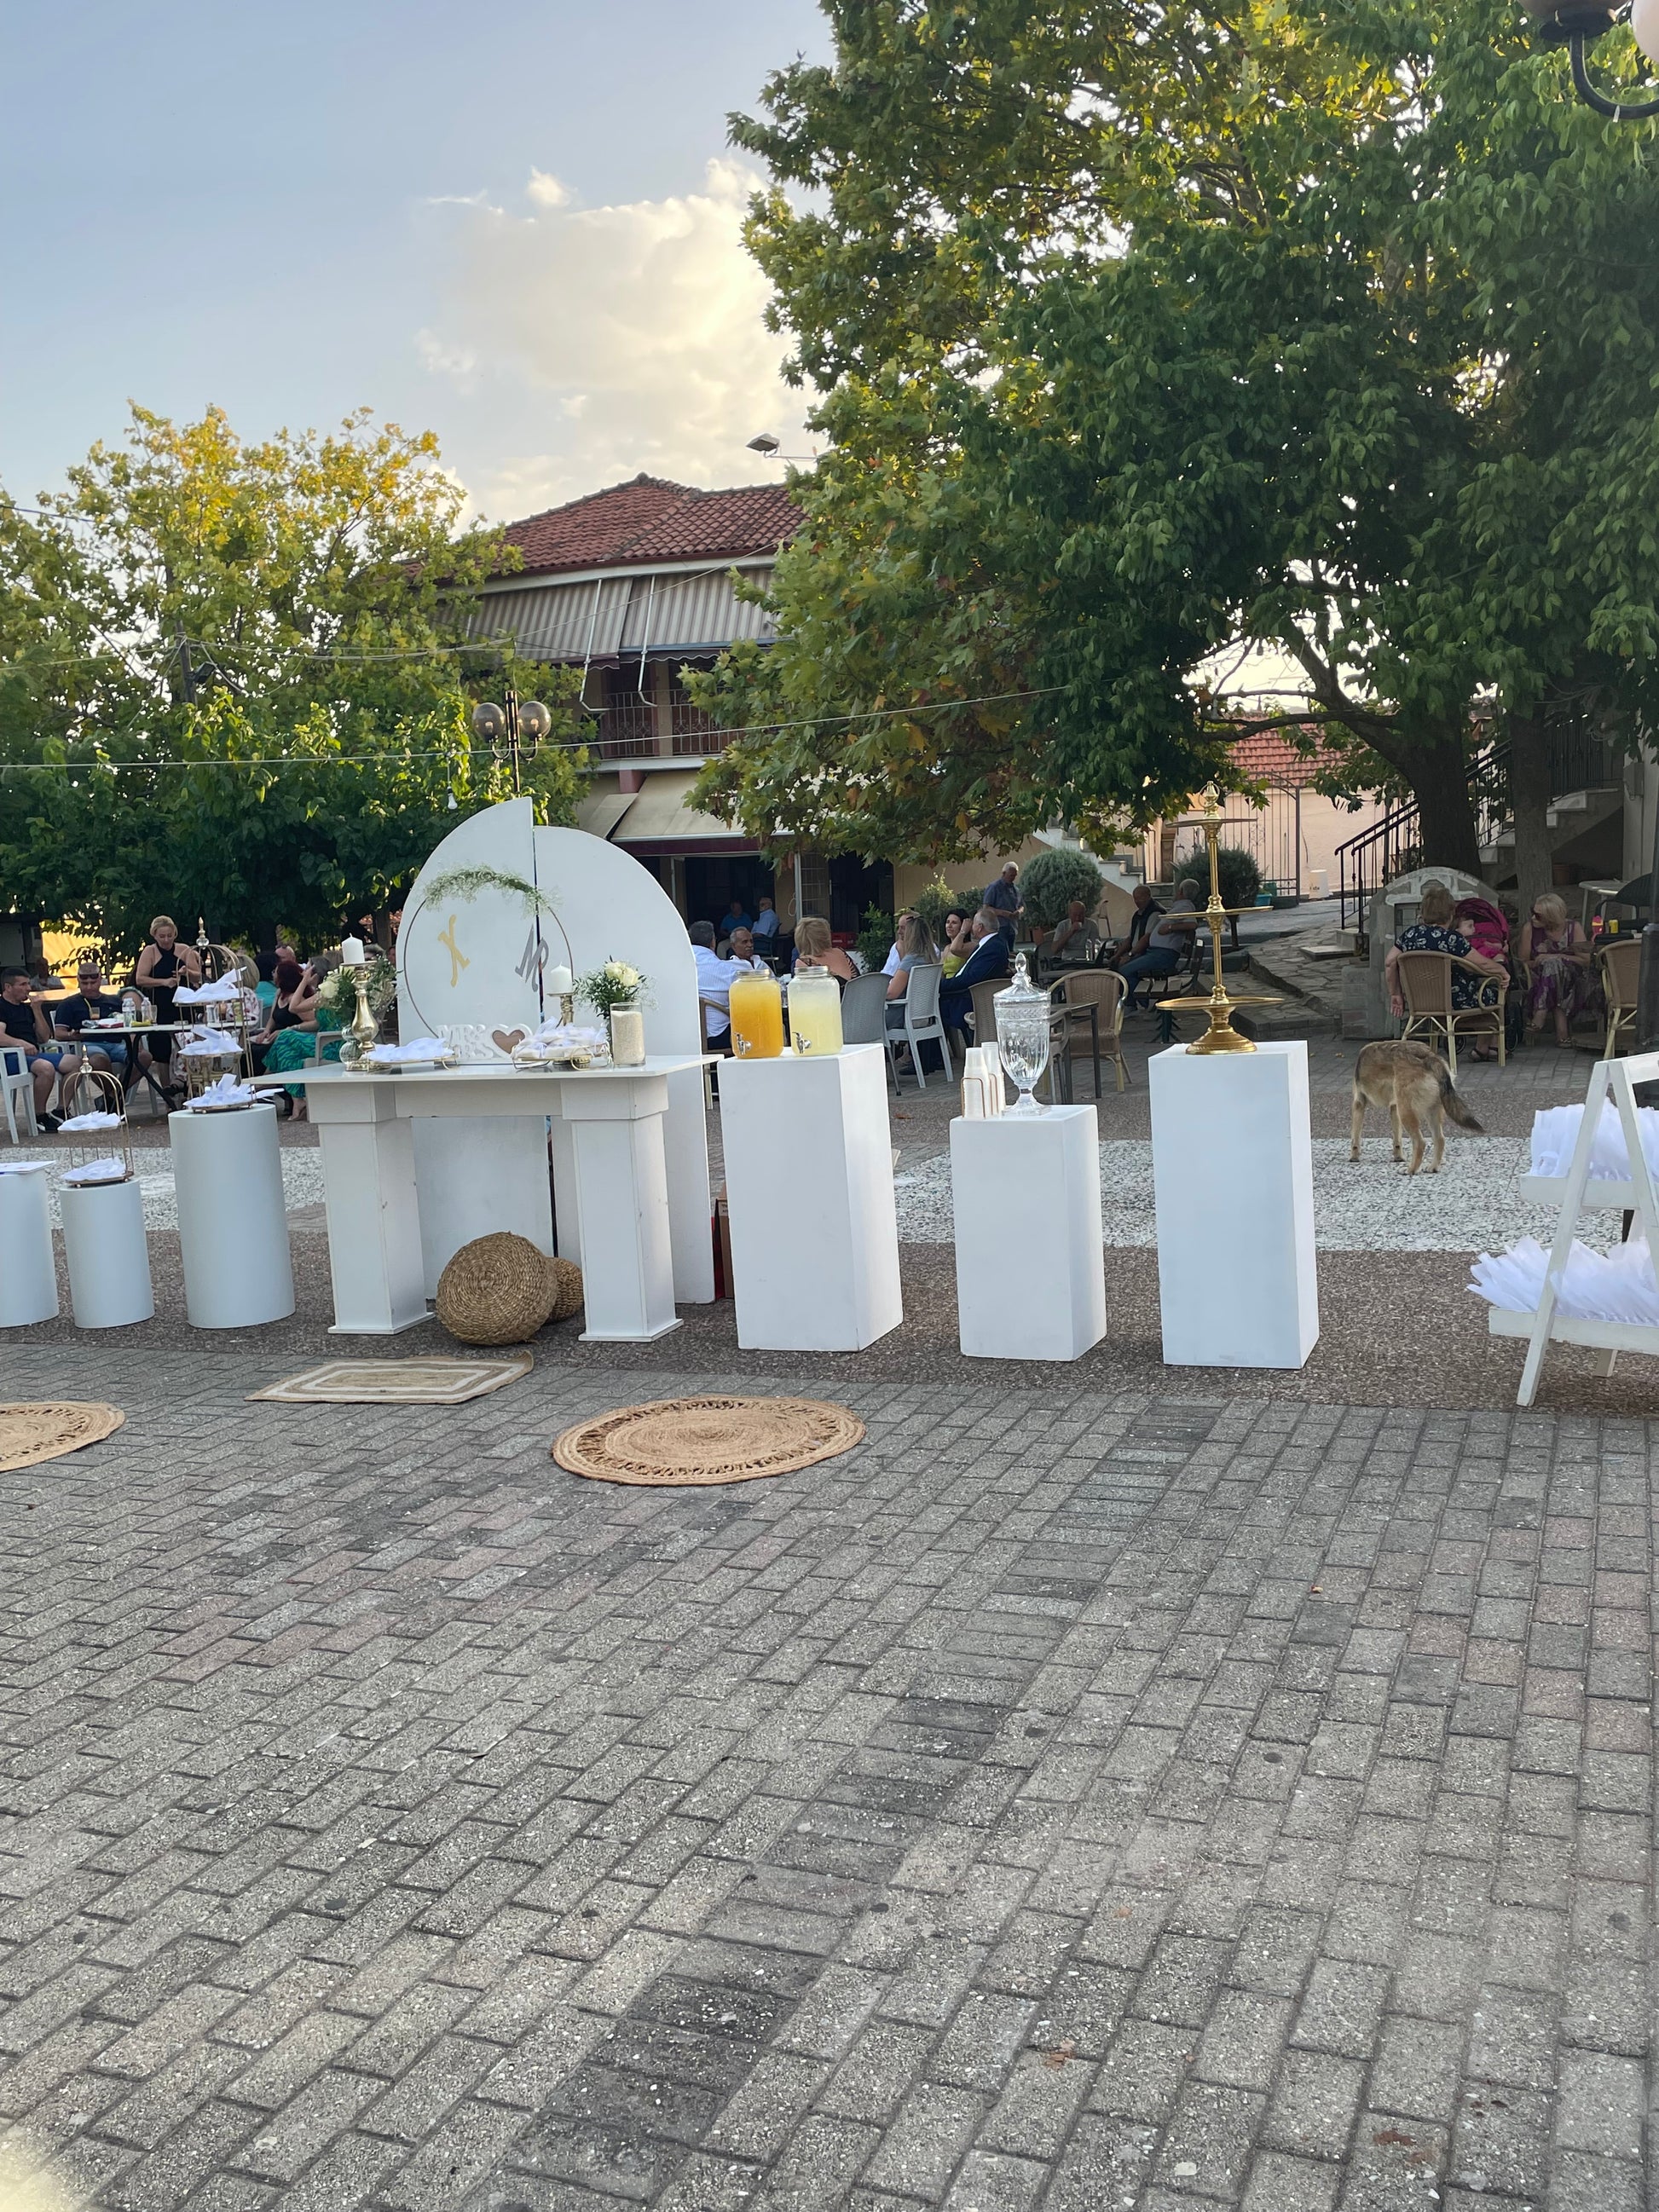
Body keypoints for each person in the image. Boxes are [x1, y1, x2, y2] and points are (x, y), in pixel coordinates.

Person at [262, 954, 343, 1114]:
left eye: (307, 969)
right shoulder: (322, 992)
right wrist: (294, 1028)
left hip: (331, 1045)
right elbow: (318, 1023)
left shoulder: (326, 993)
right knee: (289, 1052)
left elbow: (294, 1007)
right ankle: (296, 1100)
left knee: (285, 1038)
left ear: (314, 973)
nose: (303, 971)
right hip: (323, 1040)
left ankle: (265, 1081)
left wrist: (304, 981)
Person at [133, 915, 203, 1101]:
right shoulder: (150, 952)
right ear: (154, 935)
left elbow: (198, 976)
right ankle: (167, 1096)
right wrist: (164, 982)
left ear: (174, 934)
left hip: (183, 1004)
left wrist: (186, 972)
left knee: (187, 1044)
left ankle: (190, 1088)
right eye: (162, 936)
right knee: (162, 1050)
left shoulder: (184, 950)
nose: (166, 940)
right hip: (161, 1004)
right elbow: (140, 979)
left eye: (169, 936)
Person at [1519, 889, 1597, 1048]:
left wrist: (1557, 957)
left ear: (1551, 916)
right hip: (1540, 976)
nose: (1533, 918)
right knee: (1553, 972)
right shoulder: (1530, 928)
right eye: (1533, 913)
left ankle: (1540, 1012)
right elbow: (1524, 961)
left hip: (1573, 977)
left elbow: (1585, 960)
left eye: (1538, 916)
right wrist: (1543, 962)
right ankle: (1562, 1033)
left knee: (1555, 966)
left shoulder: (1574, 928)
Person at [1, 967, 77, 1128]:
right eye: (23, 984)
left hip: (32, 1055)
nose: (29, 988)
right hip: (9, 1057)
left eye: (28, 984)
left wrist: (37, 1010)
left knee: (76, 1063)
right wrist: (20, 1043)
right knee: (46, 1068)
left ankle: (61, 1110)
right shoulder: (2, 1007)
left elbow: (43, 1038)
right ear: (8, 987)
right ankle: (39, 1115)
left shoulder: (26, 1008)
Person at [53, 961, 136, 1087]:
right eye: (85, 983)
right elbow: (58, 1033)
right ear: (78, 981)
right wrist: (71, 1035)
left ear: (100, 980)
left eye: (93, 983)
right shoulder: (69, 1004)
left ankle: (117, 1093)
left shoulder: (115, 1001)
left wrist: (134, 1038)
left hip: (117, 1043)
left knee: (143, 1057)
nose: (89, 987)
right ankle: (113, 1094)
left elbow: (130, 1024)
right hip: (88, 1044)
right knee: (98, 1060)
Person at [1120, 880, 1201, 1008]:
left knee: (1124, 971)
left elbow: (1193, 924)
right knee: (1125, 969)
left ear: (1180, 892)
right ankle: (1142, 1003)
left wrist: (1169, 927)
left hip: (1163, 955)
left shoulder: (1185, 906)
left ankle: (1141, 1004)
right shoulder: (1180, 906)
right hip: (1157, 953)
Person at [939, 909, 1012, 1042]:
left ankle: (933, 1054)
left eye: (973, 924)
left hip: (970, 999)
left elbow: (972, 978)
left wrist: (940, 986)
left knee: (929, 1009)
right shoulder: (989, 944)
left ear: (980, 927)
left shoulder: (993, 947)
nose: (971, 927)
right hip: (968, 994)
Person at [250, 957, 307, 1073]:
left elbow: (311, 1021)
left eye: (275, 972)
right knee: (249, 1050)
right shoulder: (279, 993)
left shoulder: (295, 999)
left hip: (288, 1038)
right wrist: (266, 1031)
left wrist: (287, 1030)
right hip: (273, 1036)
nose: (273, 975)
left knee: (258, 1053)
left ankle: (262, 1080)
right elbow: (272, 1018)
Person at [691, 919, 743, 1042]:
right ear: (713, 941)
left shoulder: (675, 967)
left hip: (685, 1037)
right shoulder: (727, 970)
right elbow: (742, 1004)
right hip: (718, 1037)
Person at [884, 914, 939, 1031]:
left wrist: (874, 994)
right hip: (925, 1016)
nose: (901, 934)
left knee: (862, 1019)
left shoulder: (911, 960)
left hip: (901, 1017)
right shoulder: (931, 958)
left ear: (911, 936)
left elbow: (891, 994)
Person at [1106, 883, 1164, 971]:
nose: (1137, 901)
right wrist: (1117, 955)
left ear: (1148, 896)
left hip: (1148, 953)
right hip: (1136, 952)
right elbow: (1130, 938)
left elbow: (1146, 939)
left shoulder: (1155, 913)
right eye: (1135, 898)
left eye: (1140, 898)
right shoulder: (1137, 914)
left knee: (1125, 970)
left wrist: (1130, 955)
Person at [792, 915, 858, 981]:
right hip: (857, 988)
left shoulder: (805, 962)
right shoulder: (840, 952)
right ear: (827, 936)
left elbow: (803, 987)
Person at [1049, 899, 1105, 965]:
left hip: (1087, 961)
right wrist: (1071, 932)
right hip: (1068, 961)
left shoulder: (1092, 925)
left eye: (1081, 915)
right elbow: (1055, 949)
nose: (1078, 918)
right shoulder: (1062, 925)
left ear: (1084, 914)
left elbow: (1095, 947)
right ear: (1070, 914)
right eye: (1075, 915)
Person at [983, 863, 1023, 939]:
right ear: (1004, 873)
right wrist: (1004, 913)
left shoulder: (1015, 889)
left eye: (1015, 876)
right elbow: (986, 908)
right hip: (998, 927)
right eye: (1011, 875)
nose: (1013, 878)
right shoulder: (994, 887)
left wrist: (1019, 911)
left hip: (1012, 927)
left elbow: (1021, 905)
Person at [939, 910, 973, 977]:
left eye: (954, 923)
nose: (949, 926)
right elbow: (940, 973)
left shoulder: (970, 946)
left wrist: (963, 932)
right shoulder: (947, 948)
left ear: (963, 926)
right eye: (947, 922)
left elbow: (955, 949)